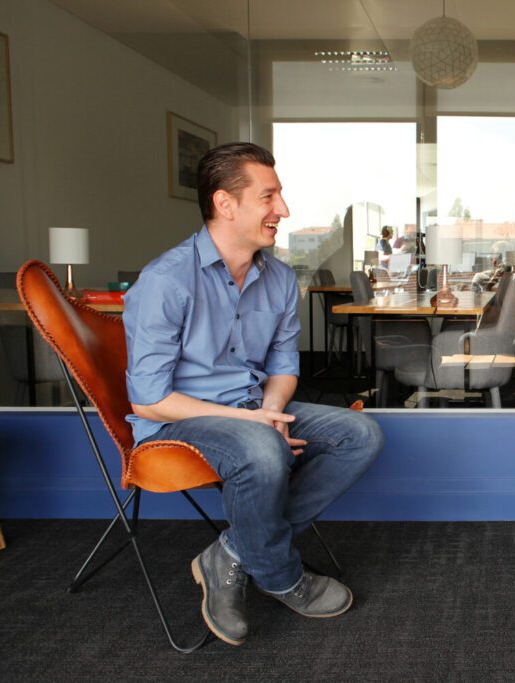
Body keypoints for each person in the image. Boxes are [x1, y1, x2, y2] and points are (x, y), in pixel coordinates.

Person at [123, 142, 384, 647]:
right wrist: (255, 426)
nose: (282, 210)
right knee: (263, 449)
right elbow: (149, 400)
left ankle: (231, 552)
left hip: (250, 411)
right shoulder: (165, 281)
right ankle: (283, 575)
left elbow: (285, 366)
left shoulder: (281, 278)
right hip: (179, 421)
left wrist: (267, 412)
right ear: (225, 204)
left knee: (360, 434)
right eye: (269, 197)